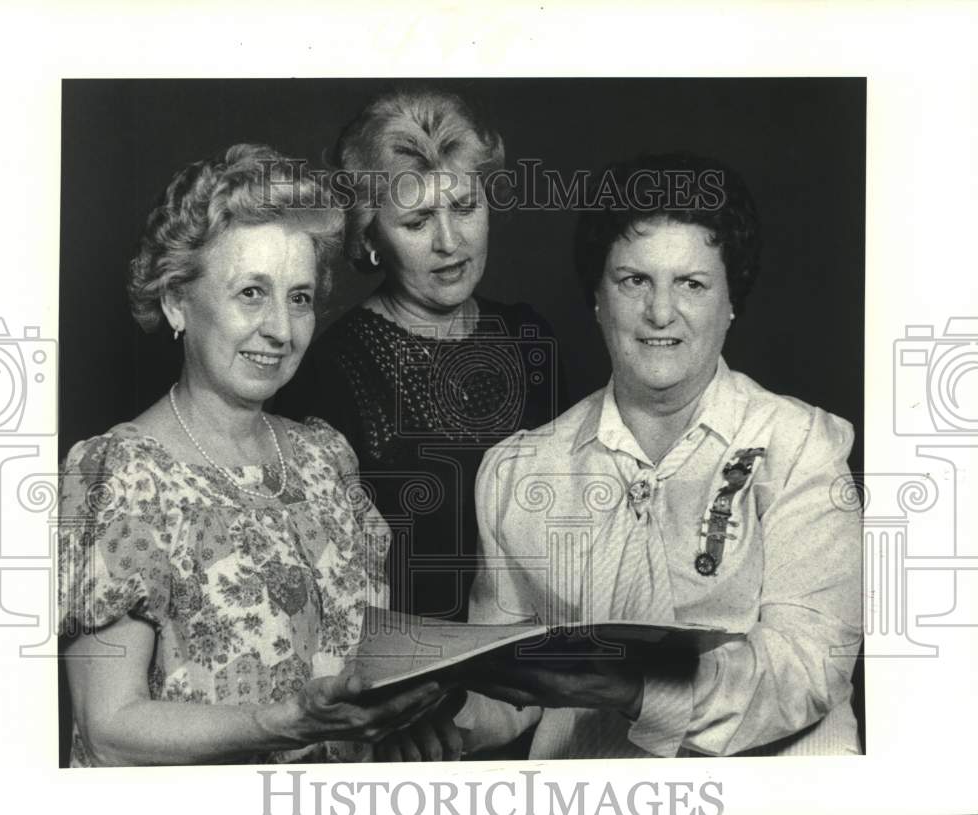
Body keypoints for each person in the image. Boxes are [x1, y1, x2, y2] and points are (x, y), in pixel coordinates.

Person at [57, 143, 463, 766]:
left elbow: (358, 676)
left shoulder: (326, 457)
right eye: (251, 292)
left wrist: (401, 724)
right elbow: (109, 728)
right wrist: (284, 724)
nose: (280, 327)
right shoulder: (120, 475)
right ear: (176, 302)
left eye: (299, 297)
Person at [455, 153, 863, 758]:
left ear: (731, 302)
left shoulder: (801, 446)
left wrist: (638, 688)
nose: (660, 312)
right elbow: (510, 690)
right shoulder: (517, 471)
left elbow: (808, 668)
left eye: (691, 284)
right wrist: (440, 723)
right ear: (597, 298)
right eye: (633, 281)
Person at [276, 88, 567, 624]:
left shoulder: (529, 337)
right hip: (417, 675)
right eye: (417, 222)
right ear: (370, 237)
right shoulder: (333, 372)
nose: (449, 241)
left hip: (550, 663)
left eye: (465, 207)